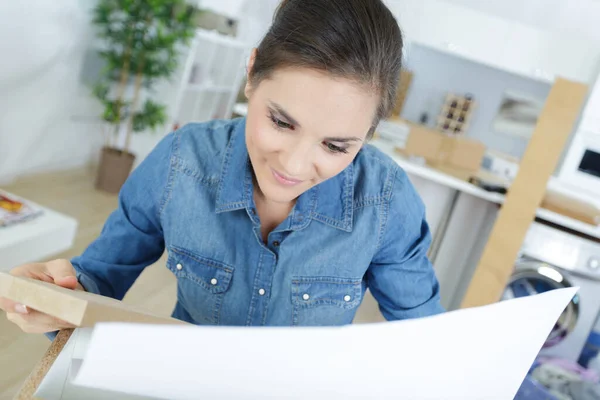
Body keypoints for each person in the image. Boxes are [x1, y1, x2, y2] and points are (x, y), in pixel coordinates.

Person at [0, 0, 443, 335]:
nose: (292, 165)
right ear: (251, 74)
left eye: (335, 145)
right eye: (281, 121)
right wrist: (54, 295)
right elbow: (99, 277)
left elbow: (427, 341)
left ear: (369, 133)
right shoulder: (180, 163)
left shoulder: (386, 202)